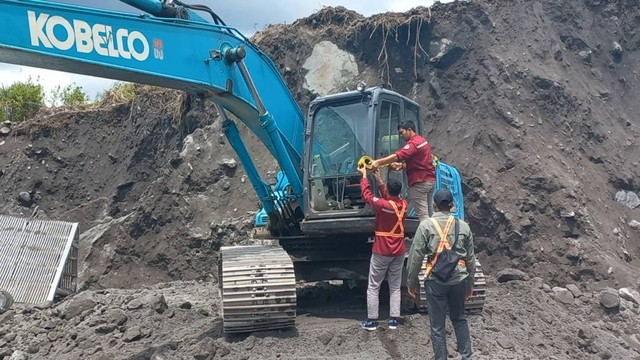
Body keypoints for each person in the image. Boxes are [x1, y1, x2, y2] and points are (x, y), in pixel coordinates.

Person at [406, 188, 476, 360]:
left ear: (434, 205)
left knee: (437, 326)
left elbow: (415, 256)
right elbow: (471, 258)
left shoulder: (426, 226)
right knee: (459, 319)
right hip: (459, 279)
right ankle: (467, 356)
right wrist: (471, 284)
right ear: (452, 205)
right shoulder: (464, 226)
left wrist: (411, 282)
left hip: (436, 281)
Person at [357, 164, 408, 331]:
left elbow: (367, 195)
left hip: (382, 250)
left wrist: (364, 175)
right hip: (399, 251)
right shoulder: (403, 205)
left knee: (374, 285)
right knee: (395, 285)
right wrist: (379, 178)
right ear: (400, 191)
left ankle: (372, 320)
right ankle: (393, 319)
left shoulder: (383, 205)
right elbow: (389, 197)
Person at [370, 120, 436, 221]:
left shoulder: (414, 143)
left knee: (423, 216)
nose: (401, 136)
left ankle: (428, 235)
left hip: (419, 182)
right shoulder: (422, 141)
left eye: (402, 132)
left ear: (409, 130)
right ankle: (436, 234)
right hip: (430, 180)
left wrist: (378, 162)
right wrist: (402, 166)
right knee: (430, 213)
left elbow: (399, 155)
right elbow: (420, 162)